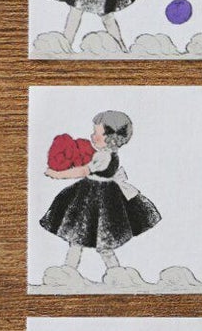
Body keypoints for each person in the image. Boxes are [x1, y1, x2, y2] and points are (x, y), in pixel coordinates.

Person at [40, 110, 161, 275]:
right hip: (98, 197)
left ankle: (78, 271)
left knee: (84, 239)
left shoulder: (103, 156)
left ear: (110, 137)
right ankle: (99, 271)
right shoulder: (108, 154)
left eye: (97, 133)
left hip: (94, 199)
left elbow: (83, 171)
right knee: (94, 242)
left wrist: (57, 174)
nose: (92, 136)